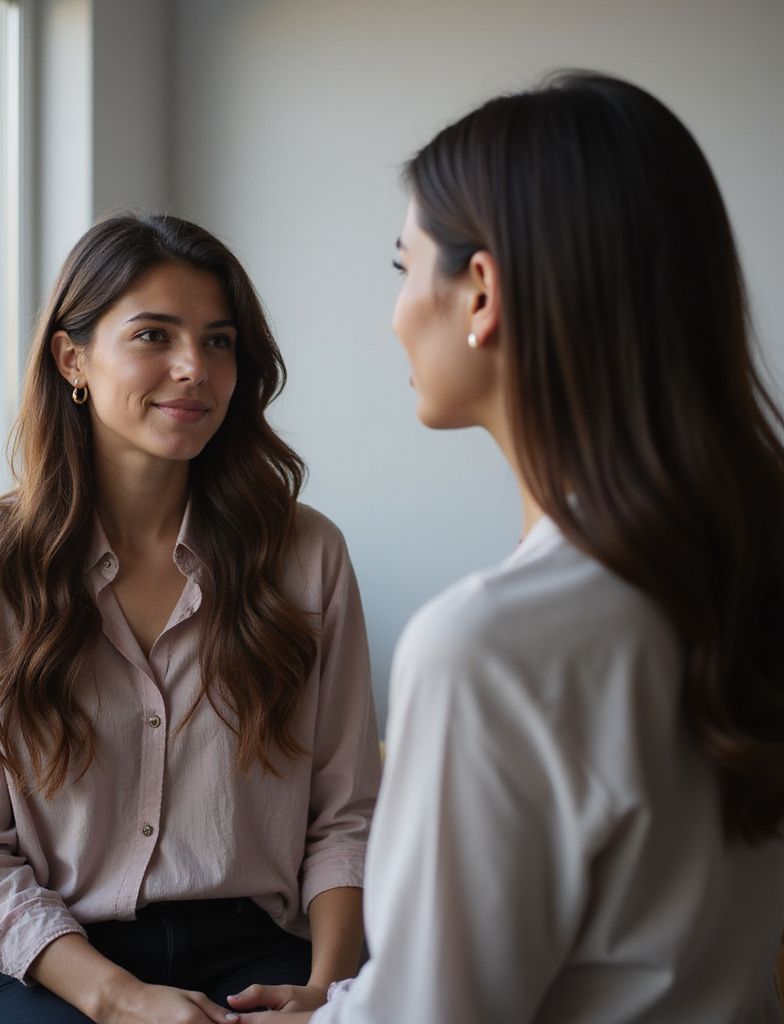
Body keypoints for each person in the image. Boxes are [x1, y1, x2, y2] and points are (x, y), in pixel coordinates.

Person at [230, 72, 784, 1023]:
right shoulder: (744, 566)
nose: (398, 310)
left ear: (480, 291)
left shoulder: (491, 646)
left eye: (404, 268)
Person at [0, 214, 381, 1024]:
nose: (194, 368)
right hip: (50, 960)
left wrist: (330, 995)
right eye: (155, 334)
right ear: (72, 357)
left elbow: (343, 813)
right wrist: (118, 999)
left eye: (219, 342)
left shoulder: (306, 554)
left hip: (261, 947)